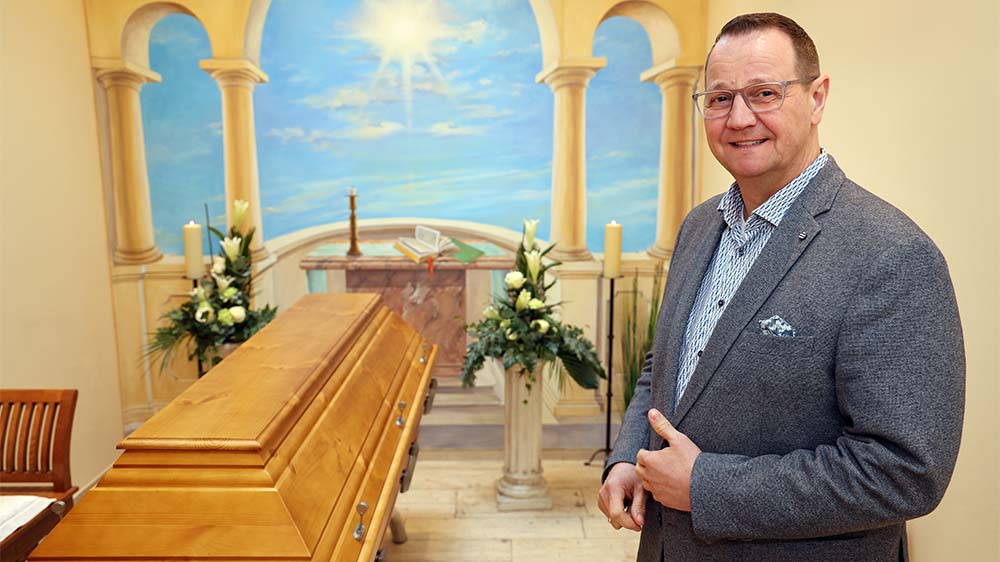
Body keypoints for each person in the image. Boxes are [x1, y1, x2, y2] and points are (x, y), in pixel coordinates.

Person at [597, 12, 965, 562]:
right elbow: (667, 367)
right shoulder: (699, 227)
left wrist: (706, 485)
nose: (739, 118)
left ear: (817, 98)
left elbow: (906, 472)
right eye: (720, 99)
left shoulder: (892, 255)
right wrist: (628, 456)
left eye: (764, 93)